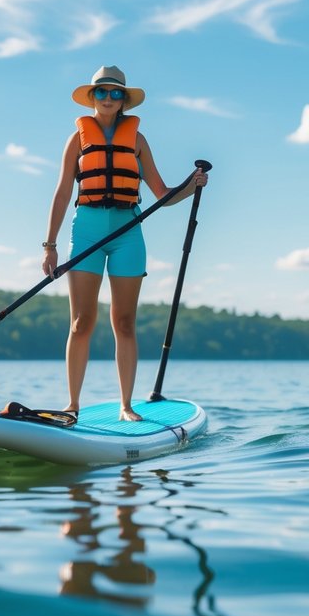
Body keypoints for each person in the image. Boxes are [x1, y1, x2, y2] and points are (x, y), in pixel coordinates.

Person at [42, 66, 208, 422]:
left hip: (128, 232)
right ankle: (72, 405)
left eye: (115, 93)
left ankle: (126, 406)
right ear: (93, 97)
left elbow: (162, 194)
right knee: (81, 322)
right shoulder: (77, 139)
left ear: (123, 101)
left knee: (125, 322)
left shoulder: (137, 139)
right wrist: (50, 245)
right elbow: (61, 193)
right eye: (101, 92)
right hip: (86, 230)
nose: (108, 98)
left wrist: (192, 185)